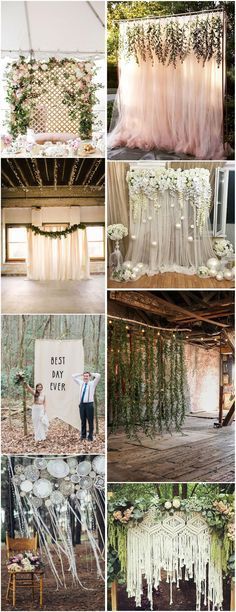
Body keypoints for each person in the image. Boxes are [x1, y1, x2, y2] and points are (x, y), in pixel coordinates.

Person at [72, 371, 101, 442]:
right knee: (83, 421)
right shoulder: (81, 383)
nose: (85, 377)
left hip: (89, 404)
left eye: (87, 376)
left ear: (89, 377)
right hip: (82, 405)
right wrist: (81, 374)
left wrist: (91, 373)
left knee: (90, 421)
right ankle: (83, 435)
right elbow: (73, 376)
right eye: (84, 376)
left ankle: (90, 436)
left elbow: (98, 375)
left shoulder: (92, 383)